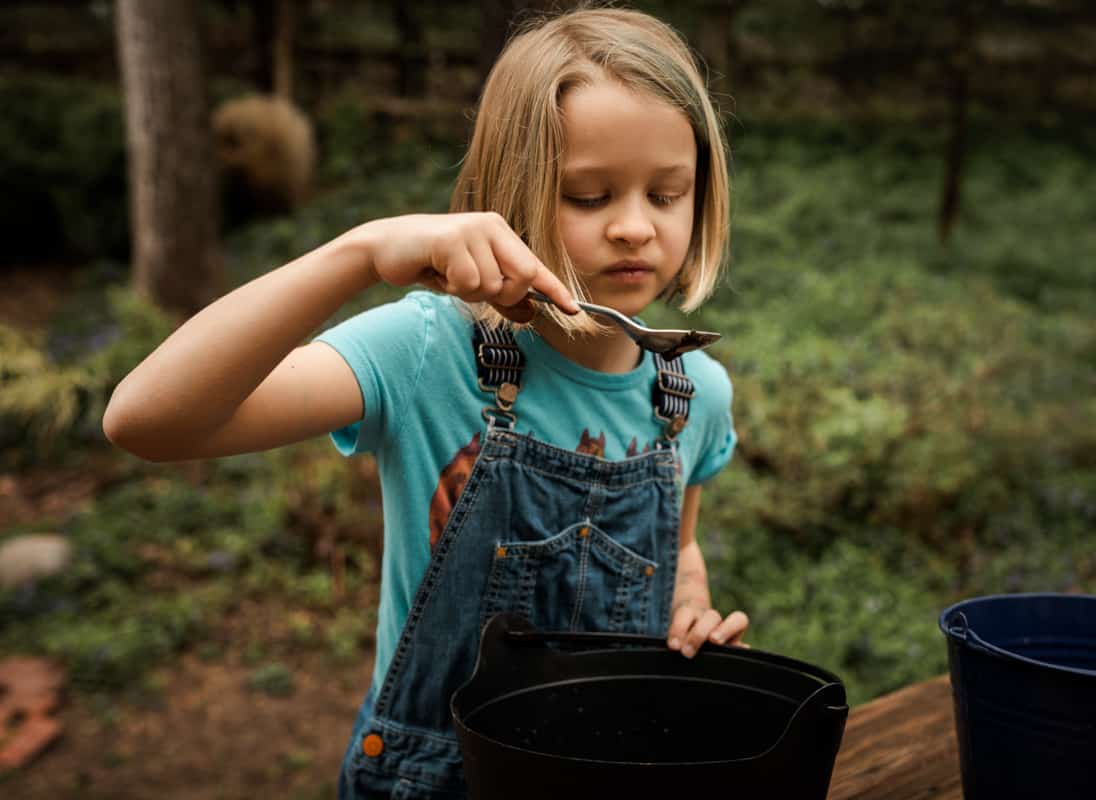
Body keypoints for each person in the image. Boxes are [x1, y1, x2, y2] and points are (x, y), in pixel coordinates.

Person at [103, 6, 747, 798]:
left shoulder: (691, 396)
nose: (634, 228)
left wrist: (690, 609)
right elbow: (146, 420)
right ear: (510, 193)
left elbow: (679, 550)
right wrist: (360, 253)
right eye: (588, 196)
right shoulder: (425, 356)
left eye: (667, 193)